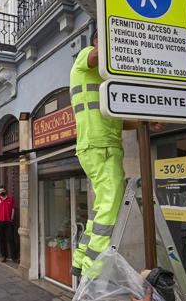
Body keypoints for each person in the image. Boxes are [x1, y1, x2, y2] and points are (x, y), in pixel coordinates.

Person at [70, 31, 162, 276]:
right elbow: (98, 55)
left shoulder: (106, 85)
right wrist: (123, 36)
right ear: (96, 42)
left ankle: (81, 259)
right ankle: (94, 269)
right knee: (110, 205)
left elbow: (119, 120)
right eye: (105, 38)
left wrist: (145, 121)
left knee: (103, 206)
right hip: (97, 146)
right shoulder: (84, 59)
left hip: (107, 147)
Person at [0, 186, 17, 263]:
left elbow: (13, 209)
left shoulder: (10, 199)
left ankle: (14, 257)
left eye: (2, 190)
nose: (1, 192)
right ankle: (4, 256)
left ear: (5, 191)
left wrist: (11, 219)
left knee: (11, 239)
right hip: (0, 222)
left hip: (8, 222)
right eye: (0, 191)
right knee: (1, 240)